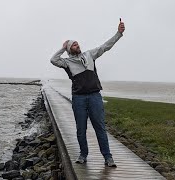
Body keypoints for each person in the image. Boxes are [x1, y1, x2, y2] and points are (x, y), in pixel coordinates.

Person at [50, 19, 125, 167]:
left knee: (100, 128)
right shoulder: (66, 62)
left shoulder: (90, 55)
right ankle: (83, 155)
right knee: (81, 129)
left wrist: (119, 33)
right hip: (78, 99)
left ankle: (108, 157)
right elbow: (53, 60)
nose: (77, 45)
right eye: (74, 44)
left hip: (94, 96)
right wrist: (63, 47)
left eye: (77, 43)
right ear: (70, 49)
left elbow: (106, 46)